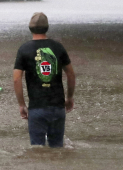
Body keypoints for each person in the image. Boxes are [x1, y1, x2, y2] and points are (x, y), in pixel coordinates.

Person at [13, 12, 76, 148]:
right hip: (58, 107)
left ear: (30, 28)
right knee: (58, 149)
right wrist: (69, 97)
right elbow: (71, 74)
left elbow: (16, 79)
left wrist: (21, 104)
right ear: (47, 28)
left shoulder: (24, 49)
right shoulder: (58, 47)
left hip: (37, 108)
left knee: (37, 150)